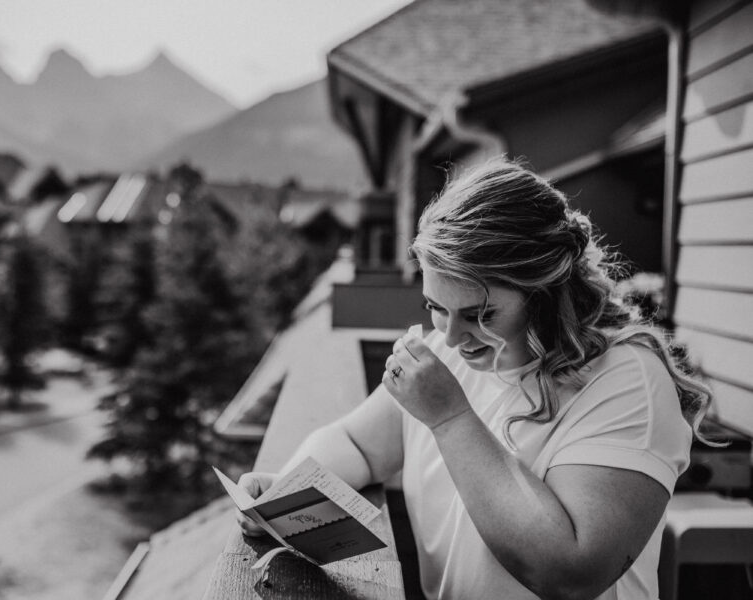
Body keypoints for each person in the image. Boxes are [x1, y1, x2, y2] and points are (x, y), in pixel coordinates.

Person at [236, 157, 711, 600]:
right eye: (435, 307)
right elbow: (357, 443)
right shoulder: (447, 351)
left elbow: (569, 571)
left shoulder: (627, 383)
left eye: (480, 314)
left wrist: (450, 418)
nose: (451, 335)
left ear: (544, 291)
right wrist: (288, 496)